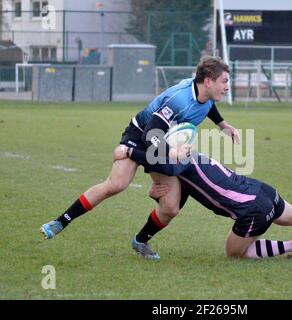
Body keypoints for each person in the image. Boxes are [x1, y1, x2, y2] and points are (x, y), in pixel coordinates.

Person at [40, 56, 240, 255]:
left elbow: (208, 107)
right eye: (224, 81)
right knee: (116, 184)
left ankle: (140, 240)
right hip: (140, 135)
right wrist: (171, 152)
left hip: (163, 143)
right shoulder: (179, 99)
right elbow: (150, 134)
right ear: (207, 81)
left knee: (171, 208)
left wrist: (223, 126)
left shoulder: (205, 96)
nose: (227, 87)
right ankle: (60, 221)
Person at [114, 146, 292, 260]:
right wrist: (158, 193)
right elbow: (183, 193)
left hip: (251, 210)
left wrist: (129, 153)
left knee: (235, 253)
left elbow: (160, 168)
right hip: (262, 190)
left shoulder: (175, 163)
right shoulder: (191, 155)